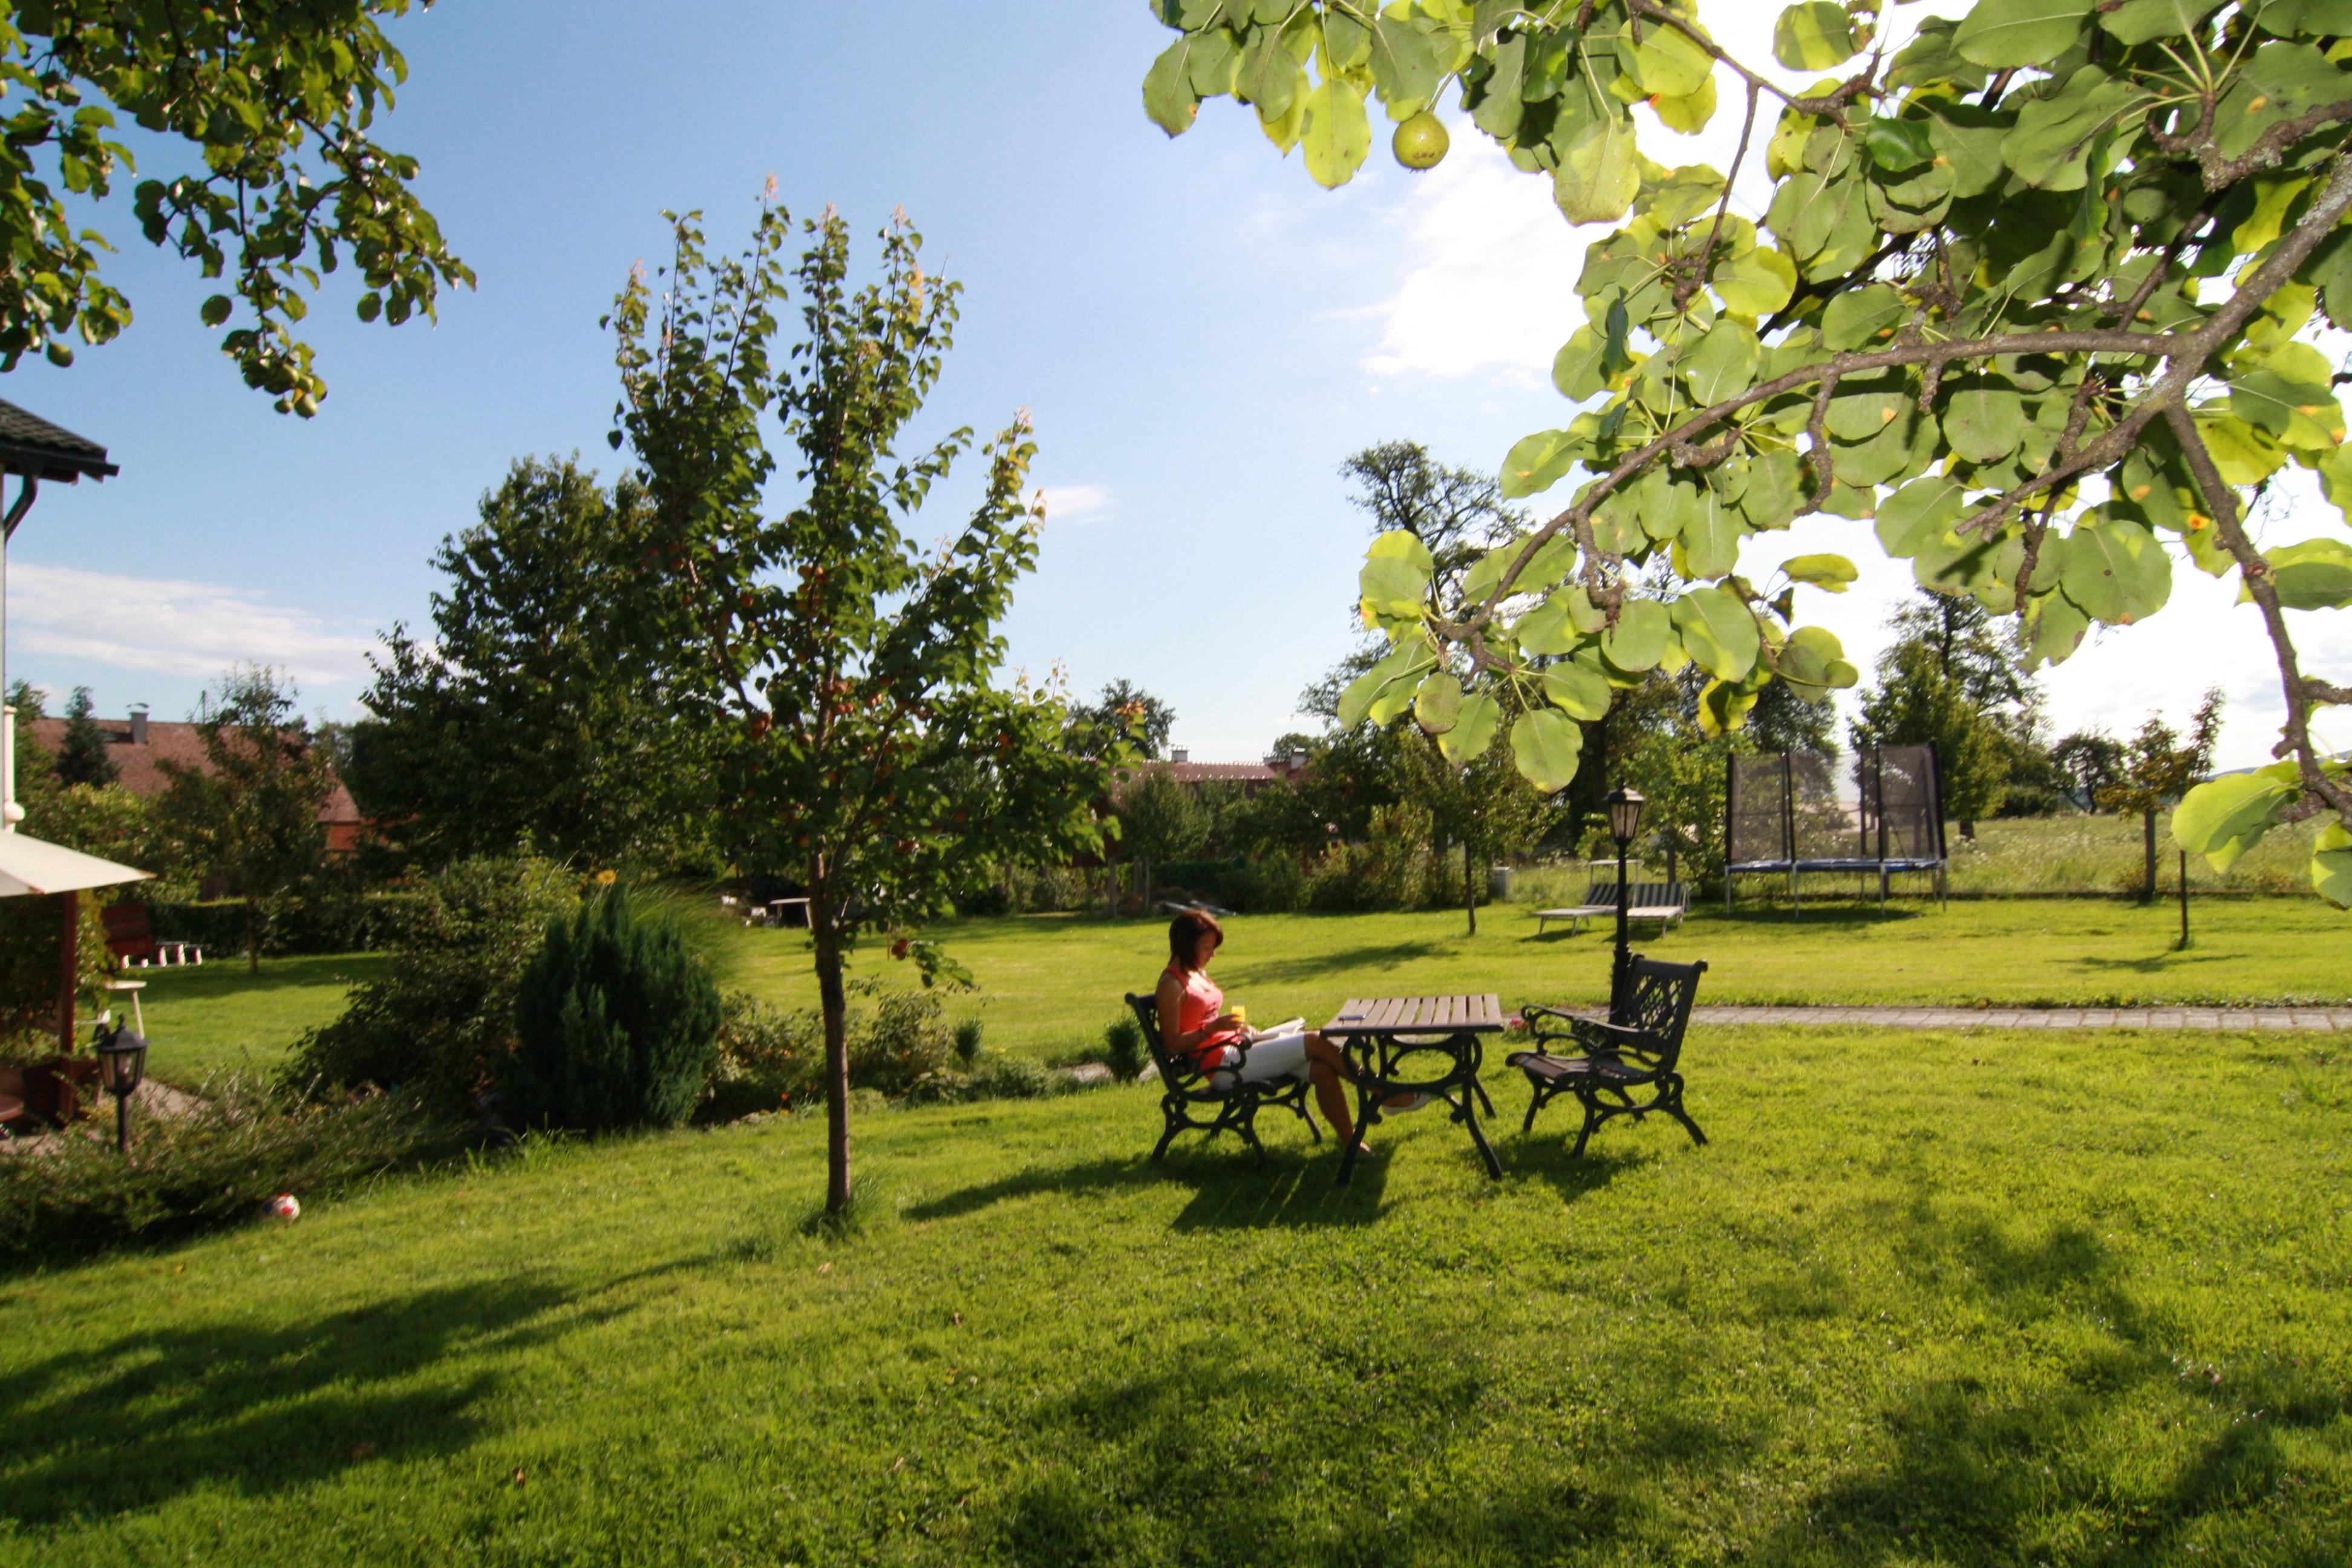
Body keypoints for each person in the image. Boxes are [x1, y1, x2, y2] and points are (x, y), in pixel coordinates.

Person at [1155, 907, 1423, 1153]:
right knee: (1316, 1040)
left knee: (1321, 1067)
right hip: (1223, 1067)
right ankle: (1385, 1093)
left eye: (1214, 947)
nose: (1212, 954)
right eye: (1206, 947)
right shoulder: (1171, 984)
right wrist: (1213, 1028)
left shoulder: (1197, 973)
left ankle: (1352, 1142)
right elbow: (1173, 1043)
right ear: (1186, 945)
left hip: (1240, 1049)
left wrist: (1239, 1029)